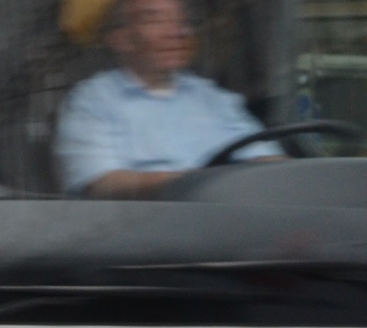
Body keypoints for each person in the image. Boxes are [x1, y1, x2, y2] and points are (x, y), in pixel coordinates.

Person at [55, 0, 276, 197]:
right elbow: (100, 183)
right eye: (155, 19)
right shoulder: (92, 101)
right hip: (146, 235)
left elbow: (268, 163)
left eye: (182, 21)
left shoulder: (214, 99)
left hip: (232, 227)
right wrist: (196, 183)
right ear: (121, 39)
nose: (178, 32)